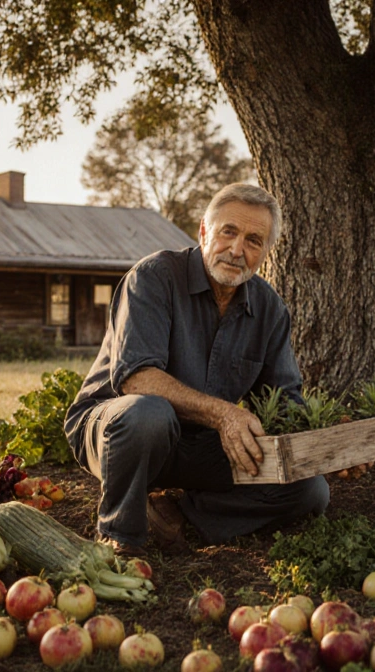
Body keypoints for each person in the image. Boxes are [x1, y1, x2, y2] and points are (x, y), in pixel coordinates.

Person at [64, 183, 330, 556]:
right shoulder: (154, 277)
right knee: (148, 413)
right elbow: (136, 378)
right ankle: (119, 539)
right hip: (118, 431)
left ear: (266, 253)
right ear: (204, 231)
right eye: (228, 232)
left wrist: (330, 448)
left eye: (254, 240)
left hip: (202, 442)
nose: (237, 250)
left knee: (310, 488)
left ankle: (177, 513)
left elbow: (285, 404)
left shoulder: (270, 310)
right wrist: (223, 415)